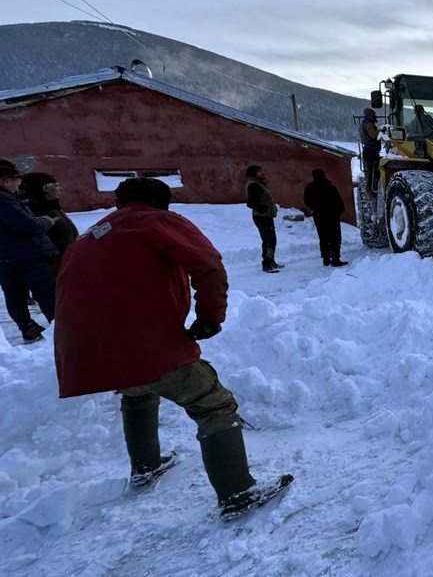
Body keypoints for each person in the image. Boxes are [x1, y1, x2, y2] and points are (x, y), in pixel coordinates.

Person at [54, 177, 292, 519]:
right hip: (142, 340)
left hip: (85, 352)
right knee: (212, 403)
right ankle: (237, 493)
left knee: (137, 390)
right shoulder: (155, 221)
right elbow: (208, 264)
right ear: (162, 202)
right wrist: (210, 319)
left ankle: (145, 467)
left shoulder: (88, 236)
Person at [0, 159, 57, 344]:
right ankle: (59, 327)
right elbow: (29, 225)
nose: (19, 184)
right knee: (46, 293)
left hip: (4, 259)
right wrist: (47, 221)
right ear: (6, 181)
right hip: (25, 256)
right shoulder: (4, 201)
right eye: (16, 180)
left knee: (14, 296)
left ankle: (28, 328)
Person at [22, 171, 79, 276]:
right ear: (44, 189)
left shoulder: (52, 206)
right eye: (56, 185)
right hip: (54, 268)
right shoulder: (35, 212)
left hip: (68, 262)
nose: (60, 189)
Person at [303, 168, 348, 267]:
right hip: (332, 216)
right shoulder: (329, 187)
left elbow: (306, 201)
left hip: (319, 216)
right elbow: (338, 201)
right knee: (335, 237)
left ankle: (326, 259)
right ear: (323, 175)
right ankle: (335, 259)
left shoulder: (310, 187)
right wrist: (339, 211)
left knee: (323, 237)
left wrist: (315, 207)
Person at [245, 164, 282, 273]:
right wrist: (264, 209)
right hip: (261, 217)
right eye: (259, 171)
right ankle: (267, 265)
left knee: (272, 240)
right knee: (268, 240)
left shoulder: (259, 184)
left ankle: (271, 261)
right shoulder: (254, 185)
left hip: (266, 216)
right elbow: (251, 203)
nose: (262, 172)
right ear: (253, 174)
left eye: (262, 170)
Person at [360, 107, 380, 199]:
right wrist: (382, 131)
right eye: (374, 115)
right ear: (371, 116)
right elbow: (373, 134)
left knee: (371, 171)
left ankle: (372, 190)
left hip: (368, 150)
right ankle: (371, 192)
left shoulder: (364, 123)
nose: (375, 117)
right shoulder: (369, 124)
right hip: (371, 151)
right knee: (373, 172)